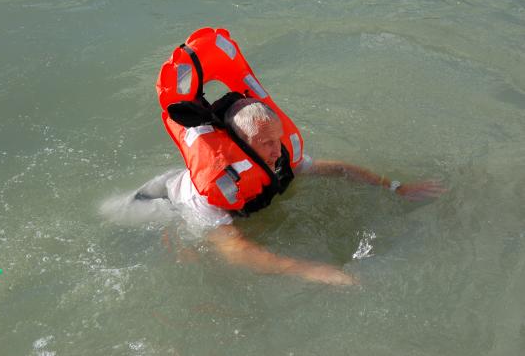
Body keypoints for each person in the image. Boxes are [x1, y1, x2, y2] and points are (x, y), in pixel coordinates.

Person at [135, 98, 446, 286]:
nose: (276, 150)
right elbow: (237, 251)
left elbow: (337, 169)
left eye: (277, 139)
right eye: (265, 143)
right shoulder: (208, 193)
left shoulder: (273, 157)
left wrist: (396, 188)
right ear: (241, 145)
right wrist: (313, 271)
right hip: (159, 203)